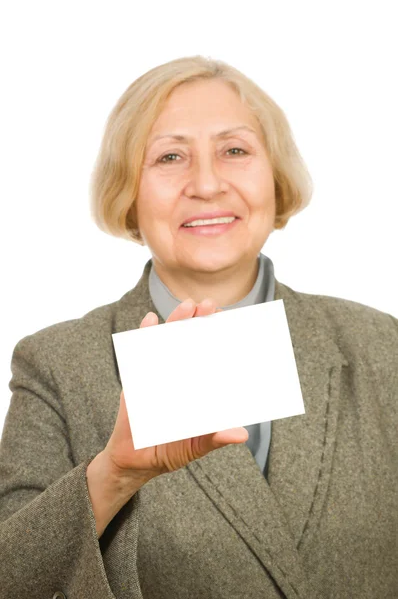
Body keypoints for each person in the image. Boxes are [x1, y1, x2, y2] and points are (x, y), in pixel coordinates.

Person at [0, 55, 397, 599]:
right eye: (170, 157)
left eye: (235, 151)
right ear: (128, 192)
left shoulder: (382, 345)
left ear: (275, 178)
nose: (207, 184)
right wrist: (112, 476)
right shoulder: (56, 364)